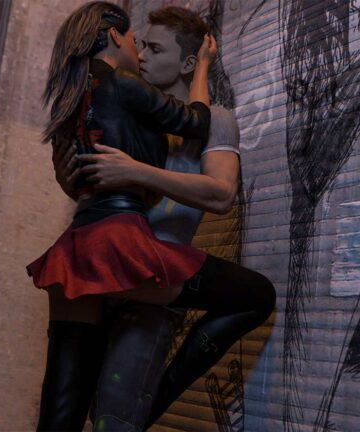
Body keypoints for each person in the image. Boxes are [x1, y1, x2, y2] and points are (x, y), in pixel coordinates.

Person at [31, 3, 275, 431]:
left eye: (155, 49)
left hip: (142, 278)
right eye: (140, 44)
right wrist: (67, 175)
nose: (141, 55)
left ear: (187, 62)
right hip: (111, 263)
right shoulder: (123, 105)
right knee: (71, 411)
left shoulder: (215, 119)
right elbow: (96, 185)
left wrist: (135, 171)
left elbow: (221, 195)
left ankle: (159, 396)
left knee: (110, 417)